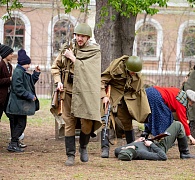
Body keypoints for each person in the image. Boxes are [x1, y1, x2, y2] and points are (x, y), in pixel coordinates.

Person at [51, 23, 102, 166]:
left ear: (88, 37)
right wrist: (58, 81)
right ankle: (70, 155)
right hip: (68, 90)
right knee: (69, 122)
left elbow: (90, 71)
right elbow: (55, 67)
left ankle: (83, 147)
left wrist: (73, 58)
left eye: (82, 36)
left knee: (87, 121)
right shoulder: (67, 49)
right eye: (77, 35)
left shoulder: (94, 51)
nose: (79, 38)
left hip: (85, 92)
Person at [100, 55, 151, 158]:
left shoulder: (136, 73)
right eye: (132, 72)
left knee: (127, 122)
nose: (133, 73)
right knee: (105, 121)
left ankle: (132, 146)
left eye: (135, 72)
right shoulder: (115, 68)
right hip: (112, 94)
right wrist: (104, 96)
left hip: (125, 98)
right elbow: (102, 80)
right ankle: (104, 148)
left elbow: (138, 89)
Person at [6, 49, 41, 152]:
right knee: (21, 124)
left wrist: (36, 74)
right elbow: (18, 88)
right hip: (18, 104)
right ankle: (13, 143)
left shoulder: (21, 71)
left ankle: (15, 142)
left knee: (18, 124)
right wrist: (29, 96)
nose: (28, 66)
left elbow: (29, 84)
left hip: (19, 104)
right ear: (23, 63)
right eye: (27, 64)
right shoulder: (18, 72)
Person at [115, 121, 195, 161]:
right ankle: (185, 153)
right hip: (159, 147)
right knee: (178, 125)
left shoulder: (121, 151)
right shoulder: (141, 153)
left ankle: (184, 153)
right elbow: (163, 156)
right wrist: (151, 144)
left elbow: (116, 150)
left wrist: (136, 141)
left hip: (153, 142)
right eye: (130, 148)